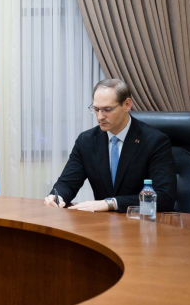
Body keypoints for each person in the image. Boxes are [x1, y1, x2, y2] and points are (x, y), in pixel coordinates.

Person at [44, 79, 176, 212]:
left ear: (127, 105)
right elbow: (68, 183)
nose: (100, 117)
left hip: (140, 220)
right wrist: (58, 196)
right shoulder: (86, 141)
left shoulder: (154, 141)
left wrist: (111, 203)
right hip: (102, 222)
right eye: (96, 109)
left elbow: (165, 197)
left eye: (107, 109)